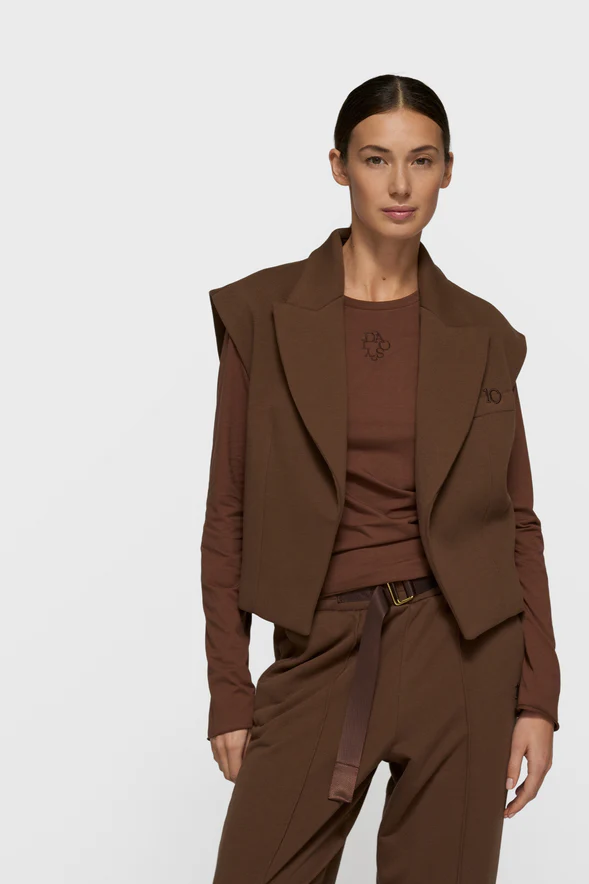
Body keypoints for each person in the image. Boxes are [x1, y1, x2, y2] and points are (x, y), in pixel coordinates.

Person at [200, 73, 561, 884]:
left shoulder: (484, 334)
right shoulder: (262, 316)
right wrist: (230, 687)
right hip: (322, 645)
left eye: (421, 160)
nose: (400, 184)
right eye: (376, 159)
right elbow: (230, 510)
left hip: (462, 651)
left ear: (447, 170)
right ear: (339, 166)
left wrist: (538, 697)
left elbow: (516, 519)